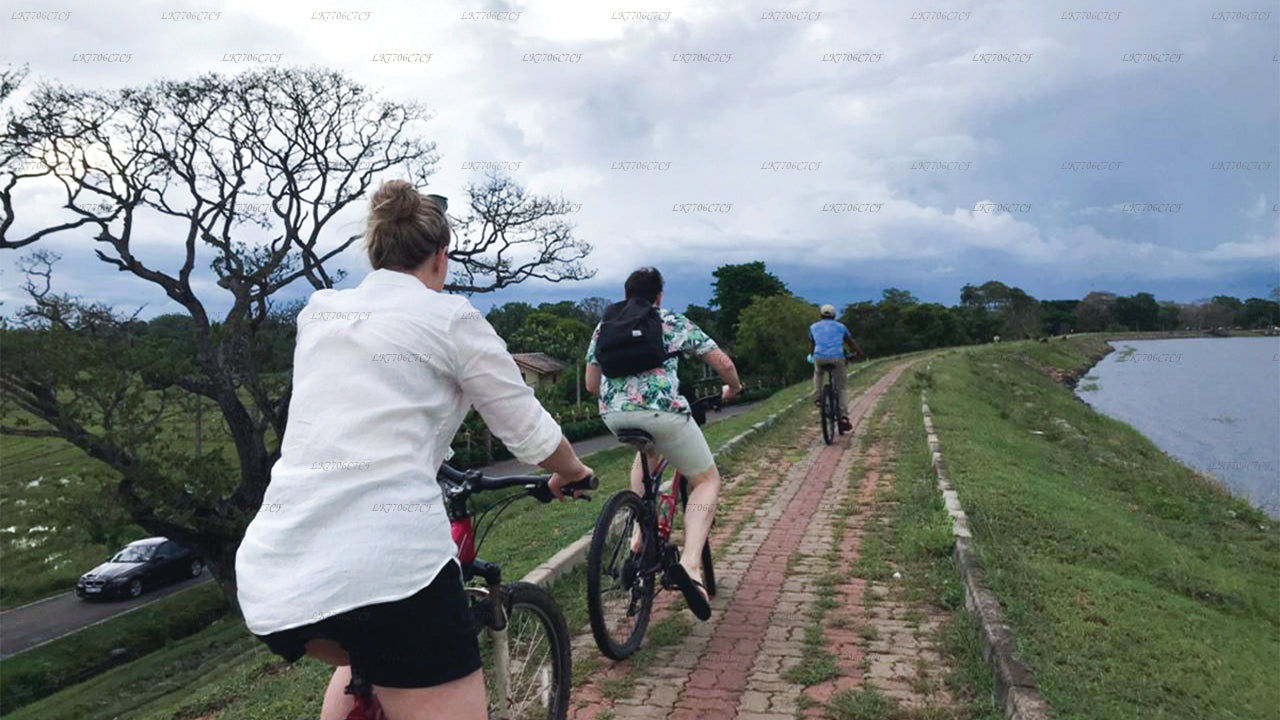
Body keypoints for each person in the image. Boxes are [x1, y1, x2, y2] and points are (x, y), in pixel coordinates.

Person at [235, 180, 594, 720]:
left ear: (374, 251)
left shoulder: (320, 312)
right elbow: (530, 433)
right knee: (387, 620)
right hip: (390, 566)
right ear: (441, 258)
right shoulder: (452, 317)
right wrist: (573, 470)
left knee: (365, 652)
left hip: (277, 573)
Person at [584, 267, 742, 620]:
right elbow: (722, 361)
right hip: (661, 413)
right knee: (706, 480)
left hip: (615, 416)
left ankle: (640, 533)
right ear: (658, 296)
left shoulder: (604, 326)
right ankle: (690, 566)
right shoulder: (669, 320)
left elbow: (591, 385)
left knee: (647, 453)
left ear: (627, 295)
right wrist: (733, 387)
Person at [809, 304, 864, 433]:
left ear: (821, 315)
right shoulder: (841, 327)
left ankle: (818, 397)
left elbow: (813, 344)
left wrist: (813, 355)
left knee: (818, 373)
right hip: (837, 357)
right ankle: (844, 417)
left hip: (819, 357)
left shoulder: (813, 327)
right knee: (842, 387)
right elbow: (851, 342)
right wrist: (858, 353)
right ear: (834, 315)